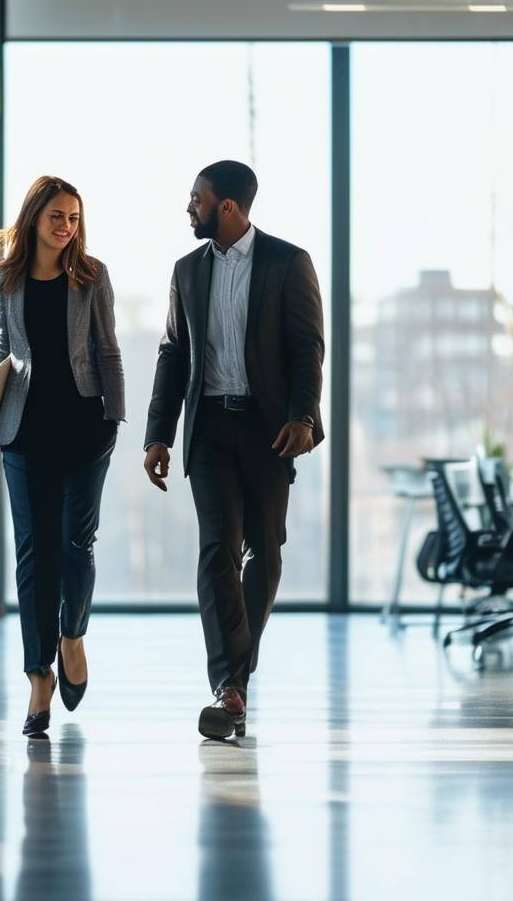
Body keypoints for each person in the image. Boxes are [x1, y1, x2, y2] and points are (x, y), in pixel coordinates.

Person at [143, 160, 324, 740]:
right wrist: (157, 434)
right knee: (218, 549)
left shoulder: (287, 262)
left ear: (227, 206)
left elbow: (307, 349)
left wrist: (302, 416)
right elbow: (173, 354)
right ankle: (230, 684)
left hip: (270, 429)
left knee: (264, 552)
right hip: (210, 432)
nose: (188, 207)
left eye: (196, 198)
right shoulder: (186, 271)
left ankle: (234, 679)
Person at [0, 176, 125, 736]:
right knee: (33, 553)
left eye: (73, 217)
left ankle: (72, 635)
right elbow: (3, 346)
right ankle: (39, 673)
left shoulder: (92, 276)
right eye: (57, 216)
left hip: (87, 428)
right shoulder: (4, 278)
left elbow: (108, 348)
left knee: (75, 544)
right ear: (35, 217)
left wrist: (115, 417)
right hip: (22, 432)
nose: (66, 227)